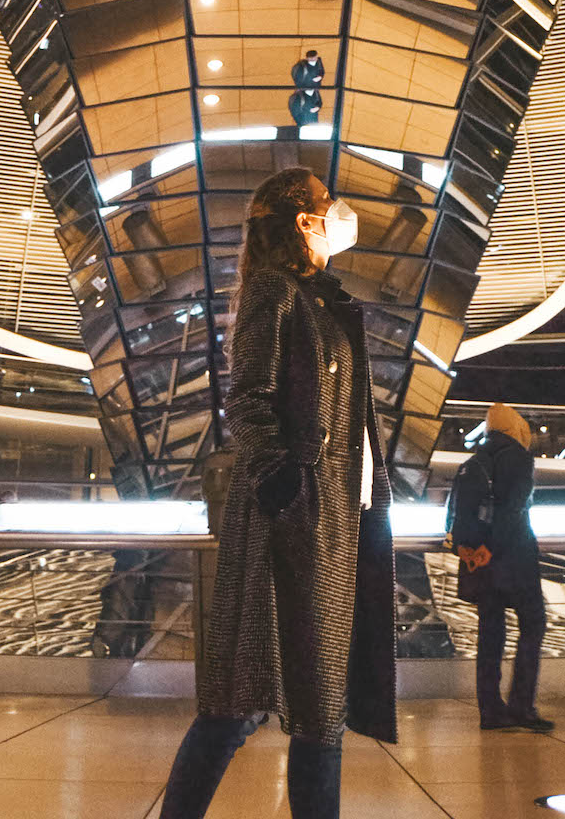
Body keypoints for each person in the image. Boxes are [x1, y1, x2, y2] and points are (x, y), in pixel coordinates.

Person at [160, 167, 396, 818]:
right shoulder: (275, 290)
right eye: (328, 203)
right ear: (303, 221)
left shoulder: (321, 300)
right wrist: (283, 478)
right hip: (288, 524)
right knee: (240, 706)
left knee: (320, 705)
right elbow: (247, 398)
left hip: (332, 523)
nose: (339, 212)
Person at [445, 403, 552, 732]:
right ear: (515, 427)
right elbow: (513, 508)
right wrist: (494, 548)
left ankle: (490, 710)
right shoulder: (519, 457)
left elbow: (455, 513)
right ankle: (522, 705)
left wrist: (475, 552)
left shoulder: (472, 462)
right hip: (513, 559)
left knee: (490, 635)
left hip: (478, 562)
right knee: (533, 624)